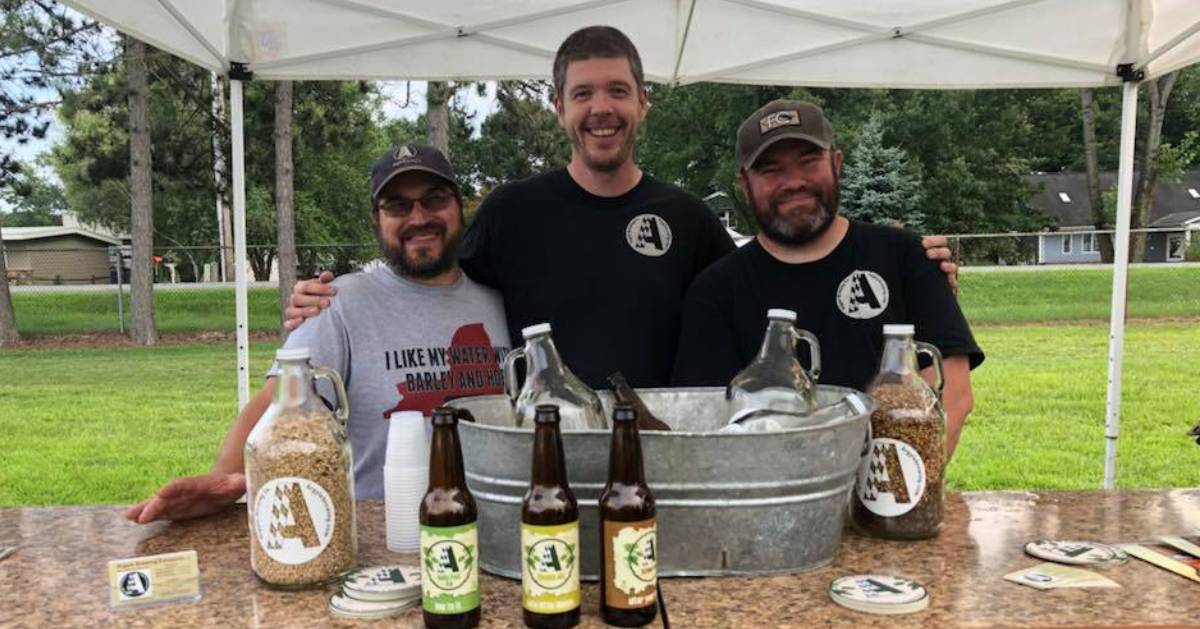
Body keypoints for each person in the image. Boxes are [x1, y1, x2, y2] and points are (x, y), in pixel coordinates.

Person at [285, 25, 961, 389]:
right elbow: (430, 273)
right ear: (559, 110)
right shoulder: (513, 210)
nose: (600, 108)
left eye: (616, 90)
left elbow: (776, 282)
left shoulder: (688, 217)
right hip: (542, 455)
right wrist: (325, 300)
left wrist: (905, 269)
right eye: (582, 94)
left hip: (658, 463)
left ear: (643, 102)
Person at [126, 144, 511, 522]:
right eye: (397, 205)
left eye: (435, 199)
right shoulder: (339, 301)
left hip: (495, 525)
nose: (419, 217)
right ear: (376, 220)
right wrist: (223, 480)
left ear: (459, 208)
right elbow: (281, 399)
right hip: (384, 533)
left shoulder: (500, 301)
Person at [671, 100, 983, 458]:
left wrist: (894, 496)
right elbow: (708, 426)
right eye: (770, 169)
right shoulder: (716, 291)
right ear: (744, 184)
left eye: (808, 161)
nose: (793, 182)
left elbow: (953, 398)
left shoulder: (907, 257)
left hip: (891, 500)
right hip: (770, 502)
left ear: (836, 162)